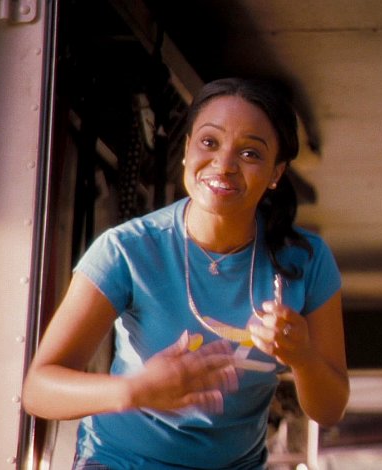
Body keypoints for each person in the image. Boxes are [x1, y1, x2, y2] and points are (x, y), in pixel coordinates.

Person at [22, 77, 349, 469]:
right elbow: (38, 390)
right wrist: (135, 390)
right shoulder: (127, 249)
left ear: (276, 172)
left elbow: (329, 409)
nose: (224, 164)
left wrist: (303, 357)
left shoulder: (307, 260)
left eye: (250, 153)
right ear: (187, 149)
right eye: (209, 142)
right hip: (120, 461)